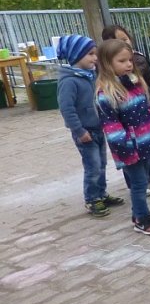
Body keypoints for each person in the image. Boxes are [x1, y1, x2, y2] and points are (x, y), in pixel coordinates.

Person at [96, 39, 150, 235]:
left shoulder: (135, 84)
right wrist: (126, 148)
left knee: (143, 180)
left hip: (146, 143)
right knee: (138, 184)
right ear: (107, 64)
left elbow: (149, 110)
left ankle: (141, 213)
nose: (128, 64)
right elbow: (112, 128)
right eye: (122, 61)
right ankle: (141, 221)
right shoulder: (107, 94)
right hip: (129, 149)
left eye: (129, 61)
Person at [56, 34, 125, 217]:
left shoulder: (90, 75)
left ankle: (101, 194)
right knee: (92, 166)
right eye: (90, 54)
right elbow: (67, 109)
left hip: (98, 128)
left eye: (94, 53)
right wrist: (79, 130)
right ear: (76, 55)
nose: (95, 58)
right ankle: (92, 199)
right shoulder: (69, 81)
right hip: (85, 132)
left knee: (101, 163)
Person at [102, 24, 150, 195]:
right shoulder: (109, 84)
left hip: (143, 119)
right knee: (133, 165)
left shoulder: (138, 60)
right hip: (128, 130)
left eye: (125, 39)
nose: (128, 64)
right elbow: (111, 120)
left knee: (149, 148)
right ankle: (139, 201)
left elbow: (149, 82)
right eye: (122, 61)